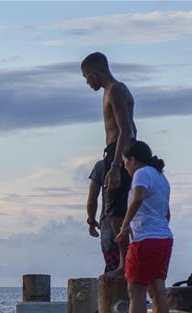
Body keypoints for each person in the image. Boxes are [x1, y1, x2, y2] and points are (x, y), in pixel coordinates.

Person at [107, 141, 172, 313]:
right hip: (163, 238)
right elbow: (167, 213)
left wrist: (125, 226)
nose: (125, 167)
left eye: (126, 163)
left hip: (145, 239)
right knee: (157, 290)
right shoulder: (161, 177)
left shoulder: (142, 173)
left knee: (135, 291)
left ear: (133, 159)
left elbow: (137, 198)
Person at [81, 52, 137, 278]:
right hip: (114, 152)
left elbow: (127, 130)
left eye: (87, 77)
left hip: (120, 152)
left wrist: (115, 165)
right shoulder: (109, 92)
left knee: (115, 212)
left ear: (95, 72)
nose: (87, 82)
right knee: (114, 211)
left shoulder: (115, 90)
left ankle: (124, 265)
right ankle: (123, 264)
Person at [86, 159, 120, 273]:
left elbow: (91, 201)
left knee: (113, 273)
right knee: (135, 276)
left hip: (109, 230)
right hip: (136, 230)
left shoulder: (102, 166)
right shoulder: (138, 164)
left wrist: (91, 222)